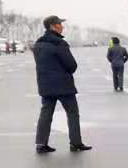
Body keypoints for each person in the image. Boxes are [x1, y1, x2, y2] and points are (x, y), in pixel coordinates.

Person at [33, 15, 91, 153]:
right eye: (59, 24)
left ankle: (41, 144)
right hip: (63, 86)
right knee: (72, 113)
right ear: (53, 26)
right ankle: (76, 143)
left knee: (46, 114)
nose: (62, 26)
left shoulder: (38, 44)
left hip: (45, 85)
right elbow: (71, 65)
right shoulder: (59, 43)